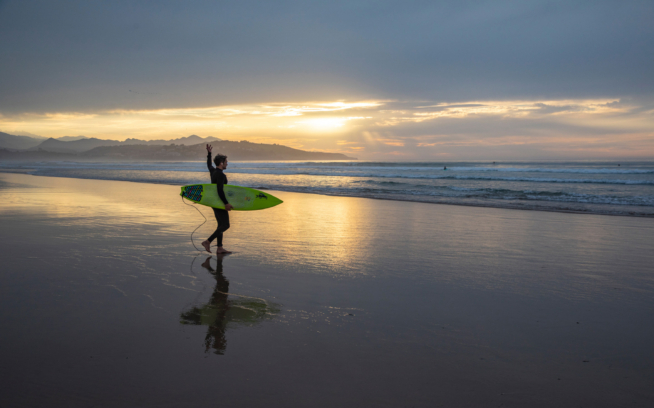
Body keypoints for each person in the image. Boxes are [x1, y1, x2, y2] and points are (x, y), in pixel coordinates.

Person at [202, 144, 233, 254]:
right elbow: (220, 190)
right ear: (221, 163)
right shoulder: (221, 175)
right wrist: (226, 203)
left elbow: (209, 165)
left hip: (214, 202)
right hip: (219, 202)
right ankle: (208, 241)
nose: (227, 163)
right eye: (225, 162)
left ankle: (219, 248)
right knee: (225, 225)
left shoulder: (213, 171)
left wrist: (209, 154)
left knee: (221, 225)